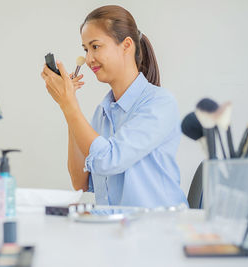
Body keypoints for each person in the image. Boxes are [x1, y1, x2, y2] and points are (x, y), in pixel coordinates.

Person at [41, 5, 187, 208]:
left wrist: (69, 105)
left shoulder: (159, 104)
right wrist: (68, 107)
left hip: (158, 230)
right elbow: (80, 183)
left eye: (95, 46)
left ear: (126, 45)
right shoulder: (102, 112)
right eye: (85, 49)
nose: (89, 58)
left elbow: (109, 160)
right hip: (116, 231)